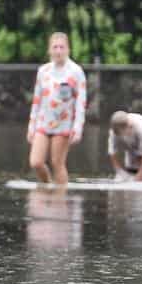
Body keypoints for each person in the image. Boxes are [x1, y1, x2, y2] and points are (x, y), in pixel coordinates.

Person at [25, 32, 87, 185]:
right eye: (55, 47)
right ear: (49, 50)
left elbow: (81, 102)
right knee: (36, 162)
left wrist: (78, 127)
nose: (58, 51)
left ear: (68, 50)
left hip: (64, 123)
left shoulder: (76, 71)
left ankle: (61, 198)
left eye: (62, 47)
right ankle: (47, 187)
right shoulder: (43, 71)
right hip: (44, 122)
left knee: (57, 163)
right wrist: (31, 125)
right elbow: (37, 101)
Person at [108, 110, 142, 181]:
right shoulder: (114, 130)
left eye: (120, 133)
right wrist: (119, 171)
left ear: (128, 126)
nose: (118, 135)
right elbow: (112, 152)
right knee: (130, 172)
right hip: (131, 149)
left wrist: (141, 173)